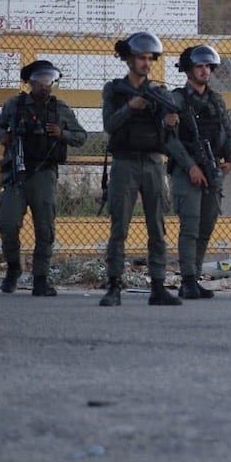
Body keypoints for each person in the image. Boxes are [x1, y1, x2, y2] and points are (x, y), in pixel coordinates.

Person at [0, 59, 86, 296]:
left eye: (49, 79)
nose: (45, 84)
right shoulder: (15, 105)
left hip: (44, 174)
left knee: (45, 228)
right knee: (8, 222)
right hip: (17, 172)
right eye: (41, 79)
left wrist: (61, 133)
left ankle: (41, 278)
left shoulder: (59, 108)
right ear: (31, 81)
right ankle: (13, 268)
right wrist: (4, 136)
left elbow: (81, 136)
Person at [98, 31, 182, 307]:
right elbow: (109, 125)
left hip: (153, 164)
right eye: (141, 58)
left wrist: (170, 122)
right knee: (119, 226)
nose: (146, 63)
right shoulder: (114, 90)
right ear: (129, 60)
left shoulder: (159, 93)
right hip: (125, 163)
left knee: (157, 227)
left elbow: (168, 132)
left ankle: (158, 286)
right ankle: (113, 286)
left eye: (150, 58)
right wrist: (130, 108)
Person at [169, 45, 231, 299]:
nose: (205, 70)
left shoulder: (216, 99)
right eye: (199, 66)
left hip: (212, 169)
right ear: (188, 70)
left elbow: (227, 131)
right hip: (187, 171)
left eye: (208, 66)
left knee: (207, 224)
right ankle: (187, 280)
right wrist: (191, 167)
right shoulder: (177, 99)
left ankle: (194, 277)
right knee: (190, 226)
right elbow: (171, 140)